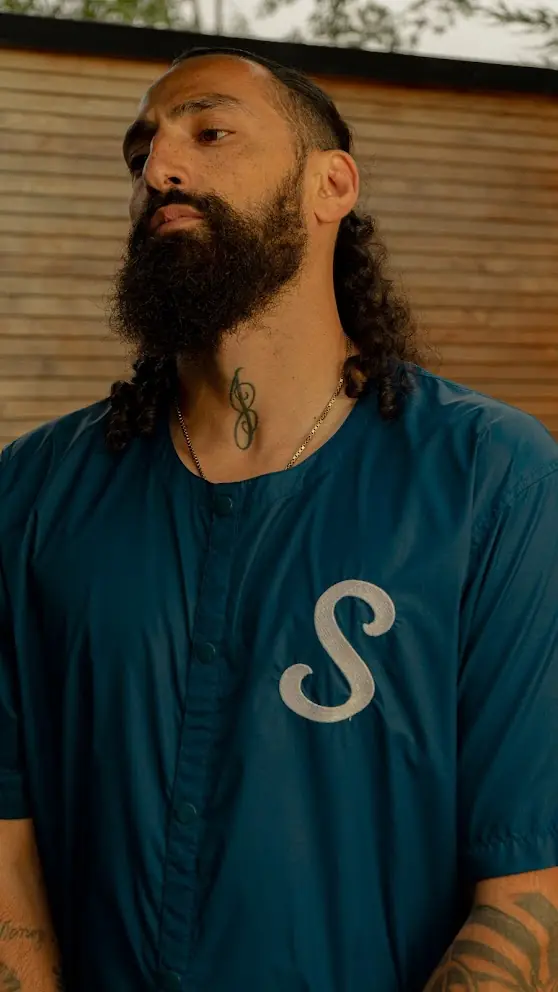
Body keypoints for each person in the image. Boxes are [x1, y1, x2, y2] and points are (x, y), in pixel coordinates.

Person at [0, 44, 557, 992]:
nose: (160, 168)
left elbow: (528, 889)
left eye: (209, 131)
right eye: (142, 152)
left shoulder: (492, 480)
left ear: (330, 183)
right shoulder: (35, 490)